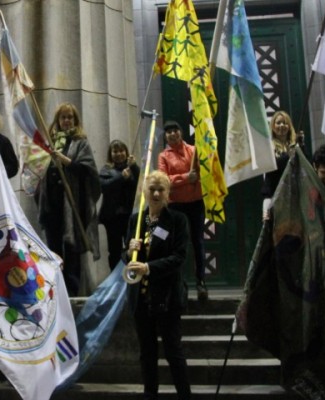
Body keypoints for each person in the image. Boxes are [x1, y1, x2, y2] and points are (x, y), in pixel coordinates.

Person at [125, 170, 191, 400]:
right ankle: (150, 394)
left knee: (173, 351)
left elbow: (179, 257)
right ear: (145, 191)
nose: (155, 193)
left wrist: (149, 268)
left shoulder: (177, 220)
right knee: (147, 352)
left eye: (160, 189)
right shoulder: (136, 220)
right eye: (151, 188)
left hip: (167, 297)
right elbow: (128, 262)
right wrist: (129, 251)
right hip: (141, 298)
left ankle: (184, 395)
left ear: (167, 193)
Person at [37, 102, 100, 296]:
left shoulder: (81, 142)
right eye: (63, 117)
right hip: (52, 205)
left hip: (73, 205)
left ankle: (72, 292)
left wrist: (68, 163)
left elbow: (89, 171)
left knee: (72, 251)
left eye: (70, 117)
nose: (66, 121)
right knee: (54, 249)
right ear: (57, 120)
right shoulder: (49, 142)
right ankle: (56, 291)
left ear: (75, 120)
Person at [157, 120, 207, 301]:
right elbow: (163, 180)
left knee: (198, 243)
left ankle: (201, 282)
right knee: (178, 246)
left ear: (181, 132)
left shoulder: (194, 151)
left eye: (175, 130)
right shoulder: (164, 156)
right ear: (166, 136)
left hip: (196, 203)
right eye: (168, 132)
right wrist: (186, 178)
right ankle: (180, 284)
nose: (172, 134)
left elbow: (206, 173)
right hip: (176, 207)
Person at [99, 139, 139, 270]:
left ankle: (130, 275)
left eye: (121, 150)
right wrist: (121, 177)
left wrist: (135, 167)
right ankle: (115, 277)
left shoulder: (132, 168)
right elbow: (104, 186)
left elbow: (140, 184)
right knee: (114, 250)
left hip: (130, 216)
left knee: (131, 247)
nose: (119, 154)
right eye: (115, 151)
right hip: (113, 217)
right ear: (111, 154)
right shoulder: (106, 170)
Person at [262, 111, 303, 221]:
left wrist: (301, 147)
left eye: (285, 123)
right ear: (273, 126)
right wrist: (290, 153)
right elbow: (272, 169)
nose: (281, 126)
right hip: (275, 195)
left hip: (295, 197)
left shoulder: (295, 145)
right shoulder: (268, 146)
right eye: (278, 123)